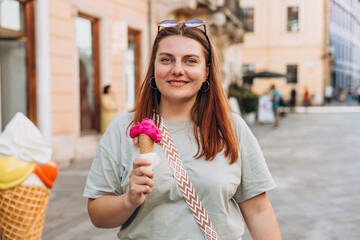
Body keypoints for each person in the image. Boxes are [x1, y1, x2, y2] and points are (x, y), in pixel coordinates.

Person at [83, 19, 281, 240]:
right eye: (166, 59)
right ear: (154, 67)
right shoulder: (123, 129)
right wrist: (129, 199)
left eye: (190, 61)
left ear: (206, 71)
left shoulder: (231, 128)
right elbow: (97, 215)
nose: (177, 70)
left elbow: (258, 210)